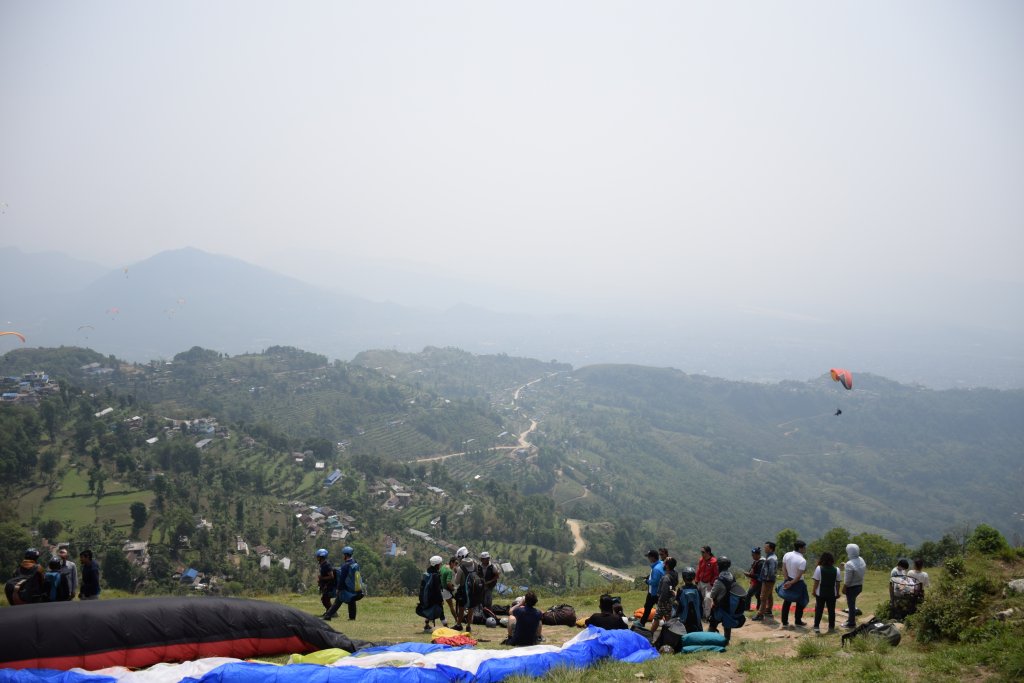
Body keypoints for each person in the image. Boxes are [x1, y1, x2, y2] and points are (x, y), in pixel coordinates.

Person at [708, 556, 746, 645]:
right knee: (727, 624)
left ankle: (708, 640)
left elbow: (712, 595)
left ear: (719, 567)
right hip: (730, 607)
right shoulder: (732, 577)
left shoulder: (719, 580)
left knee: (713, 622)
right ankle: (726, 641)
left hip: (721, 607)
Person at [323, 546, 360, 621]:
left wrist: (339, 588)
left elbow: (342, 578)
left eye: (343, 554)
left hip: (345, 587)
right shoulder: (355, 563)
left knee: (338, 601)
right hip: (353, 587)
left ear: (345, 555)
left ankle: (328, 615)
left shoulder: (345, 566)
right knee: (352, 600)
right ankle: (352, 617)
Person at [779, 540, 808, 629]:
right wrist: (791, 583)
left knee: (787, 601)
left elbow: (783, 568)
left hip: (788, 579)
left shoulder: (787, 555)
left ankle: (784, 622)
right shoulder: (802, 560)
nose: (805, 549)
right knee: (802, 601)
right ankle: (798, 621)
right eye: (804, 547)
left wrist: (787, 579)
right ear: (800, 548)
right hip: (798, 582)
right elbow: (798, 577)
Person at [649, 557, 678, 642]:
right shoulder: (674, 574)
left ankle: (668, 636)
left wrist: (660, 601)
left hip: (664, 601)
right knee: (660, 617)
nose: (663, 564)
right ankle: (652, 633)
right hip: (670, 599)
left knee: (665, 618)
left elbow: (664, 591)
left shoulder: (666, 578)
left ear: (667, 566)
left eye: (664, 563)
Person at [812, 552, 841, 633]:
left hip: (820, 593)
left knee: (819, 610)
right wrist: (837, 593)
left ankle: (816, 626)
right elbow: (838, 584)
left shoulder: (819, 568)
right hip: (832, 593)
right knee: (831, 611)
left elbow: (816, 582)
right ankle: (831, 627)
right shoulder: (837, 570)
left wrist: (814, 591)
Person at [417, 555, 448, 631]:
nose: (440, 565)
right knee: (441, 610)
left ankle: (427, 625)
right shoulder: (435, 575)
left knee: (429, 609)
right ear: (437, 565)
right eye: (440, 564)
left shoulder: (427, 573)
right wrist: (441, 600)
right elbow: (437, 590)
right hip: (434, 598)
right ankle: (446, 626)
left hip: (427, 597)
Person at [452, 546, 479, 632]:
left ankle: (459, 625)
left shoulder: (461, 568)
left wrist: (456, 573)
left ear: (462, 557)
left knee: (461, 608)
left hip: (464, 590)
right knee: (471, 607)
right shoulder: (475, 564)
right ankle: (468, 626)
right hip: (473, 590)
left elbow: (456, 582)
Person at [636, 549, 664, 629]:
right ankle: (642, 622)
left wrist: (647, 581)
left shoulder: (656, 569)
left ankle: (642, 623)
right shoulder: (661, 564)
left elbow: (654, 582)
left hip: (654, 593)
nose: (648, 559)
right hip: (658, 592)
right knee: (649, 606)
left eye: (649, 557)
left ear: (653, 558)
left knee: (649, 607)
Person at [842, 543, 866, 629]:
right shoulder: (861, 559)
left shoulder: (849, 564)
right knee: (852, 604)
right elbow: (856, 567)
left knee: (851, 605)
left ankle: (851, 623)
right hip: (859, 585)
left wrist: (844, 587)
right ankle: (850, 620)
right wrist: (845, 565)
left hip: (851, 587)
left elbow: (848, 579)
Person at [752, 541, 778, 622]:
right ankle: (768, 610)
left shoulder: (771, 559)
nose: (764, 548)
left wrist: (766, 579)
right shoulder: (771, 557)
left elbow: (771, 571)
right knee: (769, 595)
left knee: (763, 597)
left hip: (768, 580)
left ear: (770, 549)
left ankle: (760, 614)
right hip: (770, 580)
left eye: (766, 547)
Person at [675, 566, 704, 633]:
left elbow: (677, 602)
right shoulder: (697, 589)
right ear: (693, 577)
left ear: (683, 577)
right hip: (696, 617)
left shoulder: (681, 589)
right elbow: (701, 601)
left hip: (684, 617)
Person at [696, 546, 719, 620]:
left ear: (708, 552)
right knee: (699, 598)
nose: (701, 554)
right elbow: (698, 570)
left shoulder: (714, 561)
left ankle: (707, 616)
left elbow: (716, 574)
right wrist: (697, 580)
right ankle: (700, 614)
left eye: (703, 552)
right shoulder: (701, 560)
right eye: (701, 552)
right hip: (700, 582)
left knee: (707, 599)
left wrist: (711, 584)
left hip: (709, 584)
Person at [315, 549, 335, 616]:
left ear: (321, 557)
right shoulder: (322, 565)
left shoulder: (327, 565)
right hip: (325, 585)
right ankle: (330, 612)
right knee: (325, 599)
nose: (316, 558)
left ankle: (332, 613)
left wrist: (322, 578)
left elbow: (331, 576)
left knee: (325, 599)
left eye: (318, 556)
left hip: (329, 585)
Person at [743, 546, 764, 613]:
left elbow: (759, 575)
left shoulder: (761, 562)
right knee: (758, 596)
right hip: (756, 581)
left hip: (758, 582)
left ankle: (746, 608)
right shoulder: (756, 561)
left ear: (758, 555)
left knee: (748, 595)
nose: (752, 556)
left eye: (753, 555)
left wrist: (749, 575)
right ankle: (758, 609)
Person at [441, 556, 457, 625]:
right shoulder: (449, 571)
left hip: (440, 589)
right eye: (455, 563)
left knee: (439, 605)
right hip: (445, 590)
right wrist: (453, 589)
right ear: (452, 562)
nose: (456, 566)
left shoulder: (443, 566)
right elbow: (448, 583)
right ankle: (457, 620)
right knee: (451, 606)